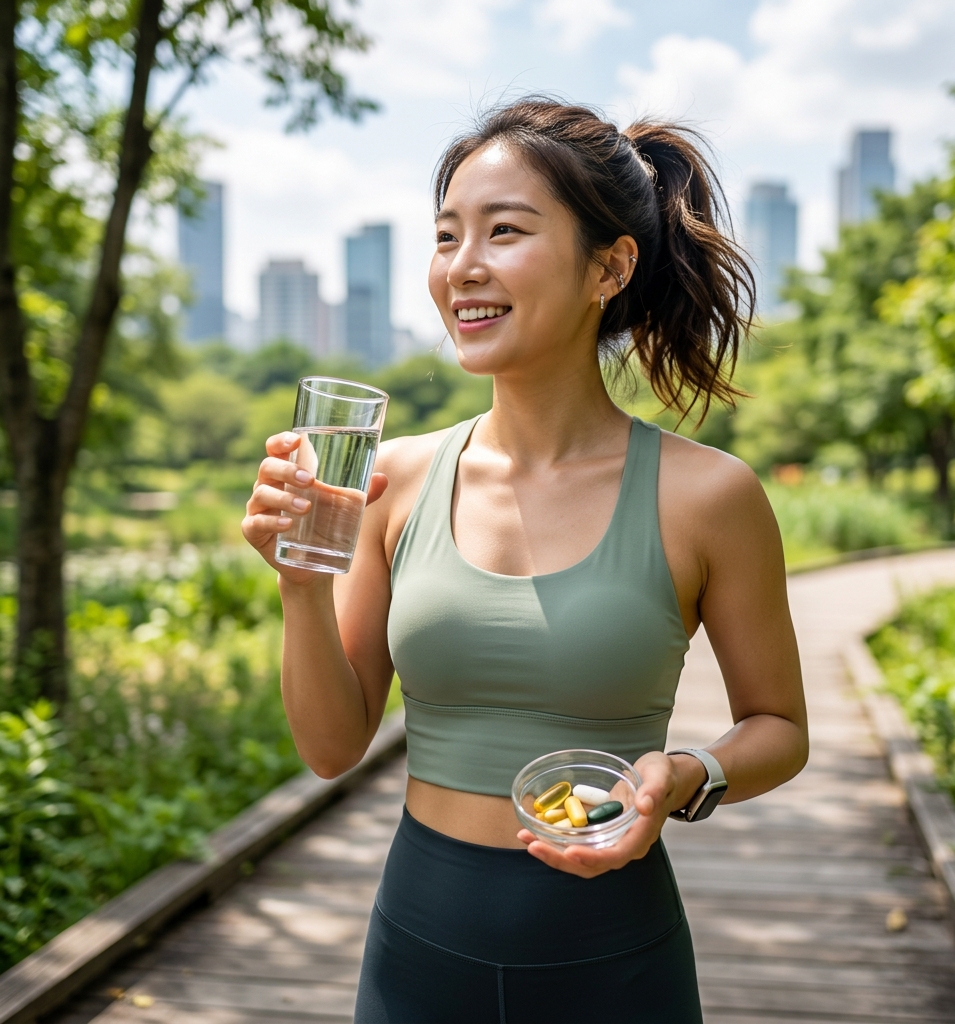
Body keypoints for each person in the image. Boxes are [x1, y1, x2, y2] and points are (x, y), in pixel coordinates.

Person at [242, 98, 808, 1024]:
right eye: (446, 235)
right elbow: (333, 747)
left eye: (505, 231)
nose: (462, 267)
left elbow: (780, 725)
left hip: (616, 961)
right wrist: (301, 585)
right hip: (416, 955)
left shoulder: (709, 496)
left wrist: (687, 775)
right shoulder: (396, 479)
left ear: (610, 266)